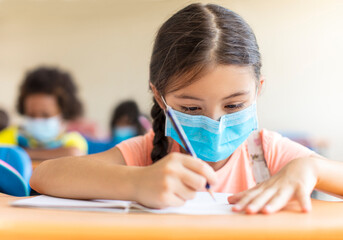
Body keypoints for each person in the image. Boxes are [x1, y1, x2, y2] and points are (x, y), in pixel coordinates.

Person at [30, 3, 343, 214]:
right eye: (192, 109)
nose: (216, 121)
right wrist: (137, 183)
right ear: (159, 97)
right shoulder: (146, 154)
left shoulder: (266, 152)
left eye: (234, 104)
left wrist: (313, 168)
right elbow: (45, 176)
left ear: (258, 90)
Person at [0, 67, 88, 160]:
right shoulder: (12, 135)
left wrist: (17, 153)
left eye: (45, 115)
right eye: (31, 115)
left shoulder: (72, 140)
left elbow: (73, 153)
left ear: (63, 113)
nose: (37, 120)